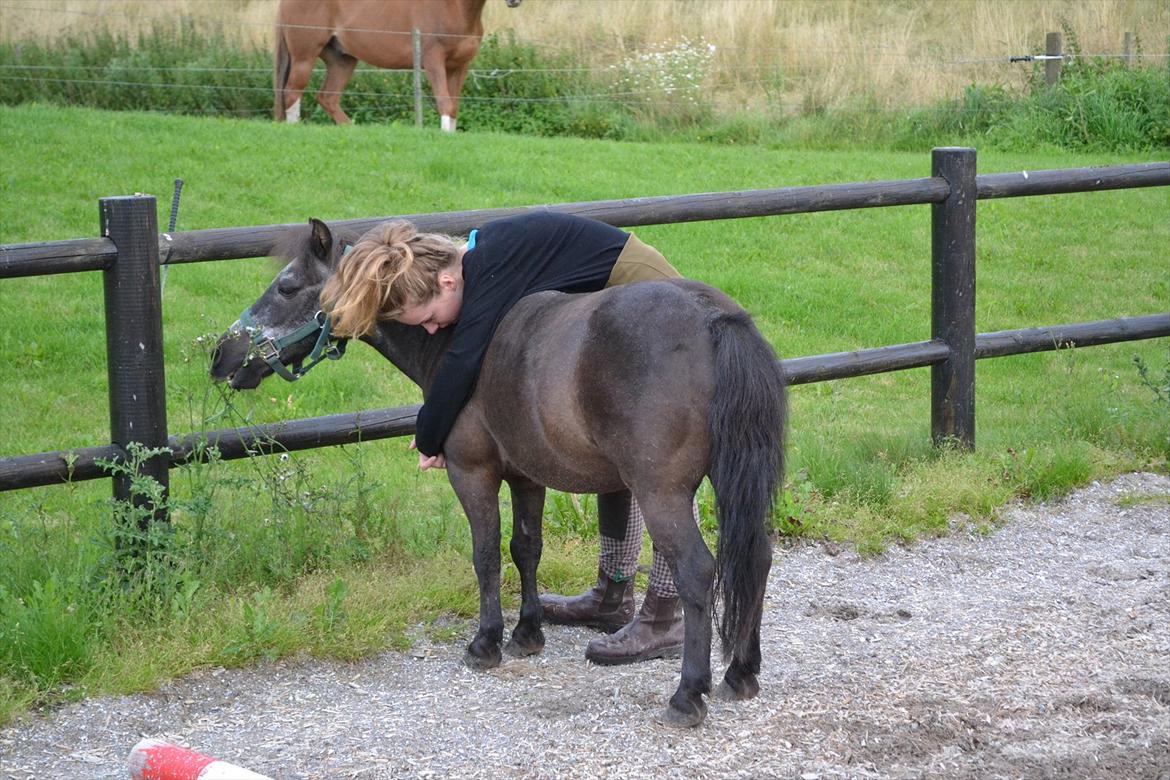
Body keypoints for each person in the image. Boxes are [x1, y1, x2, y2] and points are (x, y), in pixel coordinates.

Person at [320, 210, 701, 665]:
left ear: (445, 283)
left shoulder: (485, 273)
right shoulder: (479, 266)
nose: (431, 329)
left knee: (658, 452)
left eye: (427, 319)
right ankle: (612, 594)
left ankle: (667, 612)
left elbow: (462, 360)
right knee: (613, 445)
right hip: (602, 296)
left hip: (636, 281)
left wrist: (429, 435)